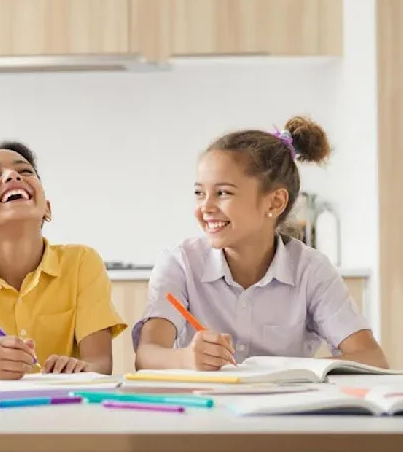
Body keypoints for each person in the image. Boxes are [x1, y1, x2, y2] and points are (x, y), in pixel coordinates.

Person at [133, 116, 389, 372]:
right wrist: (186, 359)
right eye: (199, 193)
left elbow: (371, 357)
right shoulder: (180, 263)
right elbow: (146, 356)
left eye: (223, 193)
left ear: (275, 203)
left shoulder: (310, 270)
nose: (206, 208)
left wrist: (286, 370)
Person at [0, 141, 127, 381]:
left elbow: (101, 363)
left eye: (25, 171)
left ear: (47, 208)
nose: (13, 175)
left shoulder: (83, 261)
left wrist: (79, 368)